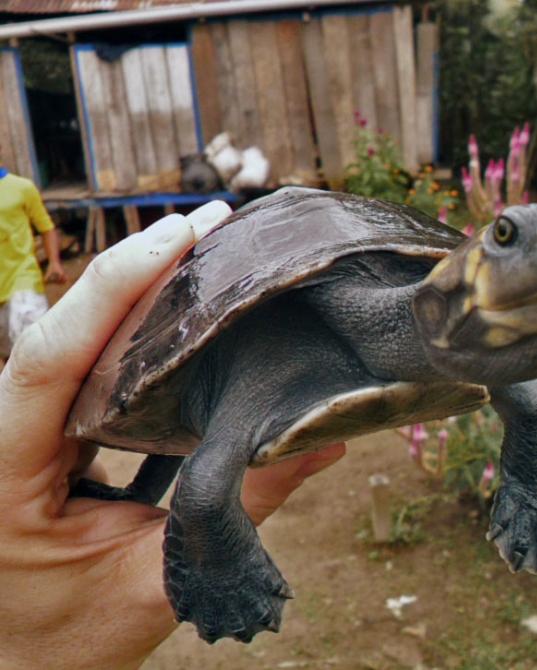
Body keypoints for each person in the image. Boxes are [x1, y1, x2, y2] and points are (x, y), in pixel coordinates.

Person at [0, 202, 345, 669]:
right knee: (198, 426)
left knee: (196, 427)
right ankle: (164, 516)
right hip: (216, 374)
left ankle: (141, 495)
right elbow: (200, 491)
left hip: (223, 385)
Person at [0, 148, 67, 360]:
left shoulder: (22, 188)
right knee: (8, 355)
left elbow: (45, 227)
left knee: (32, 350)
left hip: (23, 277)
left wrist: (54, 263)